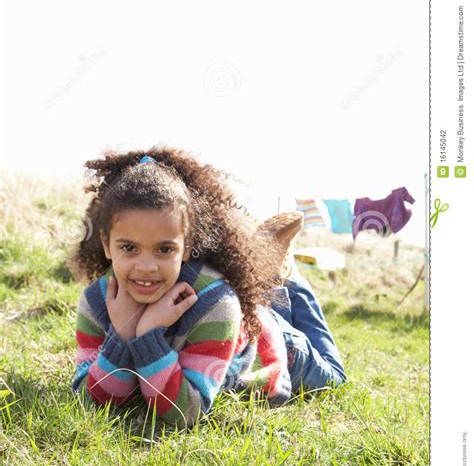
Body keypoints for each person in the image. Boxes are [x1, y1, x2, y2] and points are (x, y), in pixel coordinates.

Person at [69, 146, 346, 429]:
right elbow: (89, 402)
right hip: (239, 317)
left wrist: (148, 335)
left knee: (335, 378)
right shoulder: (97, 302)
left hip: (273, 344)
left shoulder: (214, 304)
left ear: (187, 247)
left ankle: (292, 282)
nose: (146, 266)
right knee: (260, 301)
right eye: (129, 247)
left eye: (164, 249)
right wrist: (123, 333)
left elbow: (186, 411)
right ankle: (270, 269)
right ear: (106, 244)